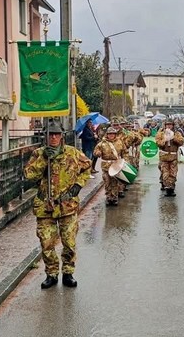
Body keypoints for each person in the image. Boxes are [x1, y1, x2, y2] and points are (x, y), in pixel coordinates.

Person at [24, 121, 91, 289]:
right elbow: (28, 175)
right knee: (46, 242)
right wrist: (44, 160)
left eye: (56, 134)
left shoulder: (72, 153)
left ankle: (68, 272)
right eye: (50, 134)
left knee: (69, 242)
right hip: (45, 206)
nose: (53, 137)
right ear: (45, 136)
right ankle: (51, 273)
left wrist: (78, 185)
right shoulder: (39, 154)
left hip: (67, 205)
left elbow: (87, 166)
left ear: (61, 136)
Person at [94, 126, 126, 206]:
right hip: (106, 166)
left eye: (113, 134)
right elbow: (95, 151)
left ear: (115, 134)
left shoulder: (120, 142)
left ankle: (114, 198)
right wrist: (98, 153)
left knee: (114, 182)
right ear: (107, 134)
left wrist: (125, 161)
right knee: (107, 182)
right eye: (110, 134)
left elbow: (124, 152)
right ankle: (108, 197)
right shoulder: (102, 144)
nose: (111, 135)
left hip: (116, 165)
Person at [155, 118, 184, 197]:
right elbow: (158, 143)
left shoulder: (176, 133)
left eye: (170, 125)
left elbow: (181, 142)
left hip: (173, 157)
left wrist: (173, 138)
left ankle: (172, 188)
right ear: (165, 125)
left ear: (173, 125)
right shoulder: (160, 133)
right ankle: (168, 189)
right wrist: (165, 139)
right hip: (164, 157)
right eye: (167, 125)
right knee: (165, 173)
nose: (169, 126)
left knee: (173, 173)